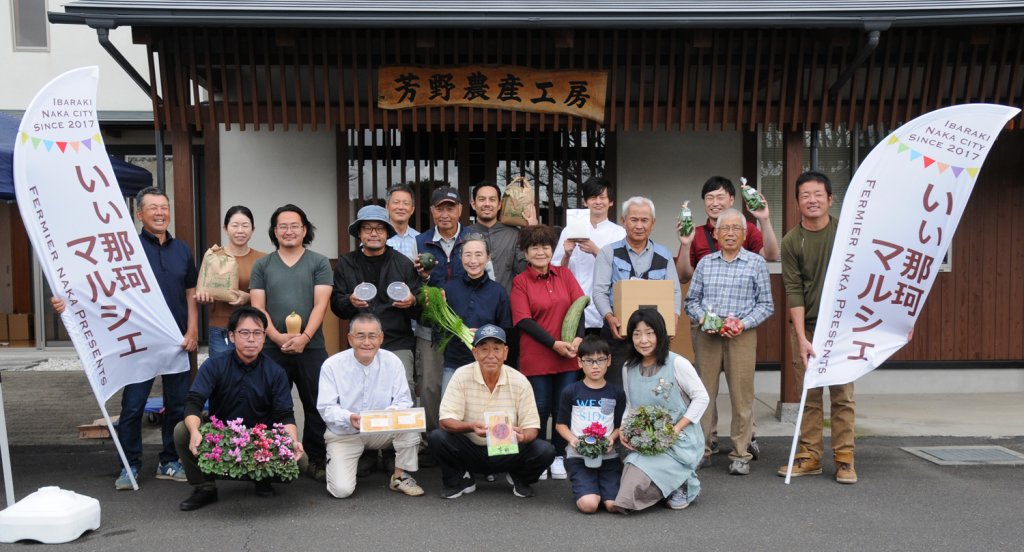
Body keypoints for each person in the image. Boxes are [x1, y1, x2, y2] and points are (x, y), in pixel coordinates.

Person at [49, 187, 199, 489]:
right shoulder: (124, 250)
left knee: (177, 405)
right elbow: (94, 284)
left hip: (176, 340)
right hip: (137, 341)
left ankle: (169, 461)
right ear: (139, 214)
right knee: (132, 406)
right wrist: (66, 301)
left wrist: (193, 329)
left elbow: (190, 293)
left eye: (164, 207)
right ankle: (129, 465)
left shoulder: (182, 250)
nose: (160, 213)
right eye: (153, 208)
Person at [676, 176, 776, 460]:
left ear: (745, 234)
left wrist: (743, 323)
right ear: (716, 234)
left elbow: (766, 304)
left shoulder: (755, 262)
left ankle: (741, 452)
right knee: (703, 393)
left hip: (741, 333)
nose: (730, 233)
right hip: (707, 334)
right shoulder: (705, 261)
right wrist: (706, 320)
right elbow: (691, 299)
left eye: (736, 229)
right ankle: (702, 449)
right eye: (725, 229)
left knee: (742, 395)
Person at [174, 306, 304, 511]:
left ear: (264, 337)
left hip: (261, 438)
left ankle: (262, 477)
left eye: (257, 333)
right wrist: (194, 431)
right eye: (244, 333)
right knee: (182, 431)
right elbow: (193, 402)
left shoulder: (276, 372)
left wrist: (293, 441)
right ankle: (204, 487)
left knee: (300, 461)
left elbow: (285, 415)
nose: (251, 339)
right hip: (222, 435)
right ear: (232, 336)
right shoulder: (214, 365)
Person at [776, 171, 858, 484]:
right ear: (797, 202)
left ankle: (845, 458)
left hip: (843, 328)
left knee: (842, 394)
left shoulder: (847, 232)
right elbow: (793, 290)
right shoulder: (791, 241)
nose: (812, 200)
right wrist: (800, 337)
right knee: (808, 395)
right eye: (805, 195)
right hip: (808, 327)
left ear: (830, 199)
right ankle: (810, 455)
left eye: (818, 194)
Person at [250, 204, 333, 482]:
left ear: (304, 230)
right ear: (274, 231)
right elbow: (258, 307)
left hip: (312, 346)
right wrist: (275, 336)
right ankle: (276, 460)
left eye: (294, 225)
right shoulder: (263, 265)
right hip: (271, 348)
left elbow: (321, 304)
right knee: (272, 404)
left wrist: (305, 337)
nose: (289, 231)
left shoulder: (319, 262)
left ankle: (317, 459)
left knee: (317, 405)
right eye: (282, 226)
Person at [428, 325, 555, 499]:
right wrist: (471, 426)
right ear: (475, 353)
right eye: (484, 349)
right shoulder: (461, 375)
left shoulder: (519, 380)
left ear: (506, 352)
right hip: (471, 449)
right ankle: (458, 479)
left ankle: (520, 477)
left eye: (496, 349)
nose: (490, 355)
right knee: (438, 437)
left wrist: (523, 437)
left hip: (508, 450)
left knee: (545, 450)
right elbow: (446, 420)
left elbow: (531, 427)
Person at [317, 313, 425, 498]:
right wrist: (348, 417)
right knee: (341, 491)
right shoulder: (332, 365)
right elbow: (326, 407)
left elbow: (403, 401)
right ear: (350, 339)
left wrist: (387, 415)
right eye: (360, 336)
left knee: (410, 424)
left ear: (381, 338)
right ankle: (338, 464)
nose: (366, 342)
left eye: (372, 336)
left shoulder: (392, 361)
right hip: (345, 433)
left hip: (380, 430)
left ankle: (399, 477)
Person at [613, 309, 709, 513]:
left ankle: (685, 482)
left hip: (679, 441)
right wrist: (623, 428)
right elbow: (631, 405)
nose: (643, 340)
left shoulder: (677, 363)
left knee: (631, 490)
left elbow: (702, 398)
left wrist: (676, 429)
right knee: (628, 488)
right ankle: (672, 483)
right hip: (646, 440)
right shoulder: (628, 367)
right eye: (637, 334)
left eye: (649, 333)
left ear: (660, 334)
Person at [510, 224, 585, 481]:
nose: (540, 252)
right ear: (525, 252)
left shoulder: (564, 274)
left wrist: (578, 338)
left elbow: (579, 307)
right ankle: (541, 455)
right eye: (534, 247)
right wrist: (554, 344)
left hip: (568, 355)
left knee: (563, 408)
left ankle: (559, 456)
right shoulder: (520, 282)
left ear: (552, 250)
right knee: (540, 409)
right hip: (538, 356)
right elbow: (524, 320)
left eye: (545, 246)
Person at [592, 196, 682, 387]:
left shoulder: (664, 255)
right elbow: (599, 291)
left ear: (653, 223)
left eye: (644, 220)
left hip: (653, 335)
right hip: (618, 333)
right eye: (634, 220)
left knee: (655, 386)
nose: (639, 226)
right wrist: (609, 317)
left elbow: (673, 291)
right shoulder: (608, 253)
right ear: (623, 221)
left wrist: (674, 317)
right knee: (618, 387)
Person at [332, 204, 421, 393]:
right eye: (367, 228)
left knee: (403, 390)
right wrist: (350, 301)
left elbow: (420, 308)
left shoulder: (403, 264)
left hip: (397, 341)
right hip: (360, 342)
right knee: (359, 393)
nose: (374, 233)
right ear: (359, 233)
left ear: (387, 233)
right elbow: (336, 305)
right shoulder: (346, 263)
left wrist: (412, 301)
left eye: (380, 228)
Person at [414, 186, 471, 434]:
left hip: (466, 327)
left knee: (466, 385)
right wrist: (424, 281)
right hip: (430, 327)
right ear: (432, 211)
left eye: (451, 208)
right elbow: (411, 285)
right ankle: (433, 438)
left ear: (460, 210)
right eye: (440, 208)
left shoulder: (473, 239)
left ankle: (462, 438)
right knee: (430, 386)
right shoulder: (419, 242)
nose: (445, 214)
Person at [554, 335, 626, 514]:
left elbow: (620, 426)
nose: (595, 366)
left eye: (600, 360)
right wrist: (573, 440)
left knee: (613, 505)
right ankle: (589, 489)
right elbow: (560, 425)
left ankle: (602, 490)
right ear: (580, 362)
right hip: (579, 457)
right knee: (589, 505)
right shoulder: (571, 391)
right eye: (589, 361)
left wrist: (611, 439)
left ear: (609, 360)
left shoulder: (616, 392)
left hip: (608, 457)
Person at [552, 176, 626, 335]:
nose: (598, 201)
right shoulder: (569, 231)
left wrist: (596, 251)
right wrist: (566, 255)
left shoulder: (619, 233)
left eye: (602, 197)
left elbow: (623, 273)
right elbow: (555, 272)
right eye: (593, 197)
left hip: (608, 310)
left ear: (611, 202)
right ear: (585, 202)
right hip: (575, 306)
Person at [439, 235, 512, 395]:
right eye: (468, 255)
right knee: (449, 408)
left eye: (479, 255)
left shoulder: (498, 291)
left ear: (488, 257)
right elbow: (439, 327)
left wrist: (483, 333)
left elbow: (506, 329)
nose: (473, 261)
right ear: (461, 257)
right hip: (454, 362)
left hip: (488, 363)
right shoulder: (449, 289)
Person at [196, 205, 265, 358]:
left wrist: (249, 298)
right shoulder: (214, 257)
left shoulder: (262, 260)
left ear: (253, 230)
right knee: (222, 371)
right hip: (221, 329)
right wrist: (204, 298)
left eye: (245, 225)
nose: (240, 230)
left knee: (252, 372)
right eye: (235, 225)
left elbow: (272, 295)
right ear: (225, 229)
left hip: (253, 329)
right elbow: (204, 288)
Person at [465, 181, 535, 293]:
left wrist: (532, 231)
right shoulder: (465, 234)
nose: (487, 204)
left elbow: (524, 269)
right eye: (482, 199)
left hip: (506, 300)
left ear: (499, 205)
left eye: (492, 199)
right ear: (473, 204)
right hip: (472, 300)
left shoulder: (514, 234)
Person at [385, 184, 420, 260]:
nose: (401, 207)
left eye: (406, 203)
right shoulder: (376, 238)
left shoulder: (419, 239)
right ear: (387, 207)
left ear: (412, 210)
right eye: (396, 202)